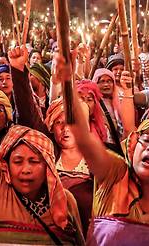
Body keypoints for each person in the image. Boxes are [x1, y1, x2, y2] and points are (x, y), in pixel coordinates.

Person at [0, 68, 85, 245]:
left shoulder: (64, 200)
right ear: (6, 164)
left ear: (48, 166)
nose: (26, 170)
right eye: (18, 161)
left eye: (34, 161)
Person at [68, 52, 149, 245]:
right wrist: (68, 81)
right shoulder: (114, 177)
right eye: (146, 139)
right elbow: (84, 139)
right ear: (133, 147)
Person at [45, 98, 93, 233]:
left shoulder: (96, 160)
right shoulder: (46, 157)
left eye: (71, 122)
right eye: (58, 122)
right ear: (51, 128)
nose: (65, 128)